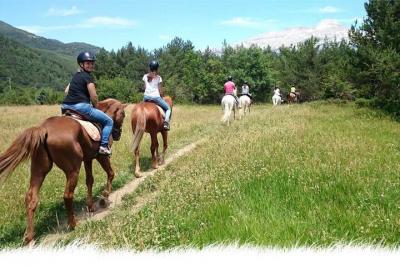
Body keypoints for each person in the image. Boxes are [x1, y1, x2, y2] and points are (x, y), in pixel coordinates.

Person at [62, 51, 114, 155]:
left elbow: (66, 91)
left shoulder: (76, 76)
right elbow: (94, 96)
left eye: (92, 63)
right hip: (81, 107)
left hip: (66, 106)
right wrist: (95, 106)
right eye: (88, 63)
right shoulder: (88, 77)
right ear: (82, 64)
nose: (91, 65)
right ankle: (104, 146)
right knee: (109, 122)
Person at [143, 60, 171, 130]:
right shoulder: (159, 78)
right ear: (157, 68)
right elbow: (160, 91)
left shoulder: (145, 76)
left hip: (146, 97)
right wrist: (162, 96)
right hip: (155, 97)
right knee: (168, 109)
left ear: (150, 68)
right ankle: (166, 123)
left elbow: (145, 87)